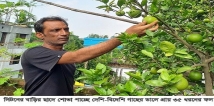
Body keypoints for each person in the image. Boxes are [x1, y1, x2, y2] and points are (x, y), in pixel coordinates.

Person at [21, 16, 159, 96]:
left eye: (66, 29)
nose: (63, 33)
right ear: (40, 35)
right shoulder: (34, 53)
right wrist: (125, 36)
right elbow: (78, 56)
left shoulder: (64, 56)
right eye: (56, 30)